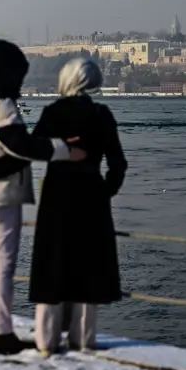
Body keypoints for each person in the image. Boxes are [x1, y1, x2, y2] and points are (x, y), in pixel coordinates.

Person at [0, 39, 86, 355]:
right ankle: (1, 333)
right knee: (2, 267)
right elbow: (18, 145)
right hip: (0, 196)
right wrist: (65, 150)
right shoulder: (1, 104)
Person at [28, 57, 127, 355]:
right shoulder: (101, 114)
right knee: (89, 268)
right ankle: (83, 340)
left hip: (57, 195)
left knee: (52, 264)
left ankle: (46, 340)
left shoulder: (52, 112)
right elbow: (118, 163)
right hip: (91, 196)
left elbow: (35, 148)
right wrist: (104, 192)